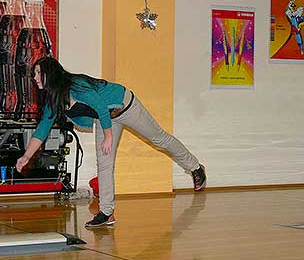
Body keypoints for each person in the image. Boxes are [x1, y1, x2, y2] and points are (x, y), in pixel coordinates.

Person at [16, 57, 206, 228]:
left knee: (159, 139)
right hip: (104, 119)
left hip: (125, 107)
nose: (35, 77)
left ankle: (195, 167)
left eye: (38, 73)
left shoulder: (76, 86)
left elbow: (99, 105)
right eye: (35, 74)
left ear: (51, 73)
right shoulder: (54, 100)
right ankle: (106, 212)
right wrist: (26, 156)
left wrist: (108, 136)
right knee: (104, 164)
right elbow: (42, 129)